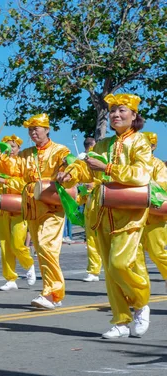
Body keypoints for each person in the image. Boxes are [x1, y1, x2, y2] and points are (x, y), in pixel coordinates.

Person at [58, 93, 152, 339]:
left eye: (122, 110)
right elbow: (86, 167)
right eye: (112, 111)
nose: (116, 115)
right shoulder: (103, 144)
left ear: (134, 116)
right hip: (101, 212)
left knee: (119, 263)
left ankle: (141, 303)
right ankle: (121, 320)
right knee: (110, 272)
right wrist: (70, 174)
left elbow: (141, 175)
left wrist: (107, 168)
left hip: (129, 213)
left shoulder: (140, 142)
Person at [0, 113, 71, 310]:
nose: (33, 132)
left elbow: (71, 164)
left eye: (37, 128)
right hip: (32, 207)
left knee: (46, 246)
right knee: (43, 250)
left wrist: (67, 172)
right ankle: (54, 293)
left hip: (52, 205)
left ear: (47, 129)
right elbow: (11, 168)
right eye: (30, 129)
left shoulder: (60, 150)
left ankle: (51, 293)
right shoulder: (26, 153)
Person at [0, 135, 35, 290]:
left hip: (19, 206)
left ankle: (28, 264)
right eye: (6, 147)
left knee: (17, 242)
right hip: (3, 206)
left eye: (13, 147)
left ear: (19, 148)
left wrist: (8, 181)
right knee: (5, 244)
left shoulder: (25, 164)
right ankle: (10, 279)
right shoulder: (0, 164)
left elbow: (28, 183)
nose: (10, 150)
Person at [139, 132, 167, 291]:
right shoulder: (134, 164)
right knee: (136, 256)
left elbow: (160, 190)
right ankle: (138, 290)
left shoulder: (158, 165)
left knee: (157, 253)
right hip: (134, 216)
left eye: (146, 145)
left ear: (153, 146)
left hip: (154, 217)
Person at [81, 136, 102, 282]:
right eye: (87, 146)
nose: (90, 149)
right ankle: (93, 271)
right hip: (89, 203)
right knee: (90, 239)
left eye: (92, 146)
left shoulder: (103, 159)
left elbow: (110, 178)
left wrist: (95, 184)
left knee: (104, 239)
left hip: (102, 202)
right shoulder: (82, 162)